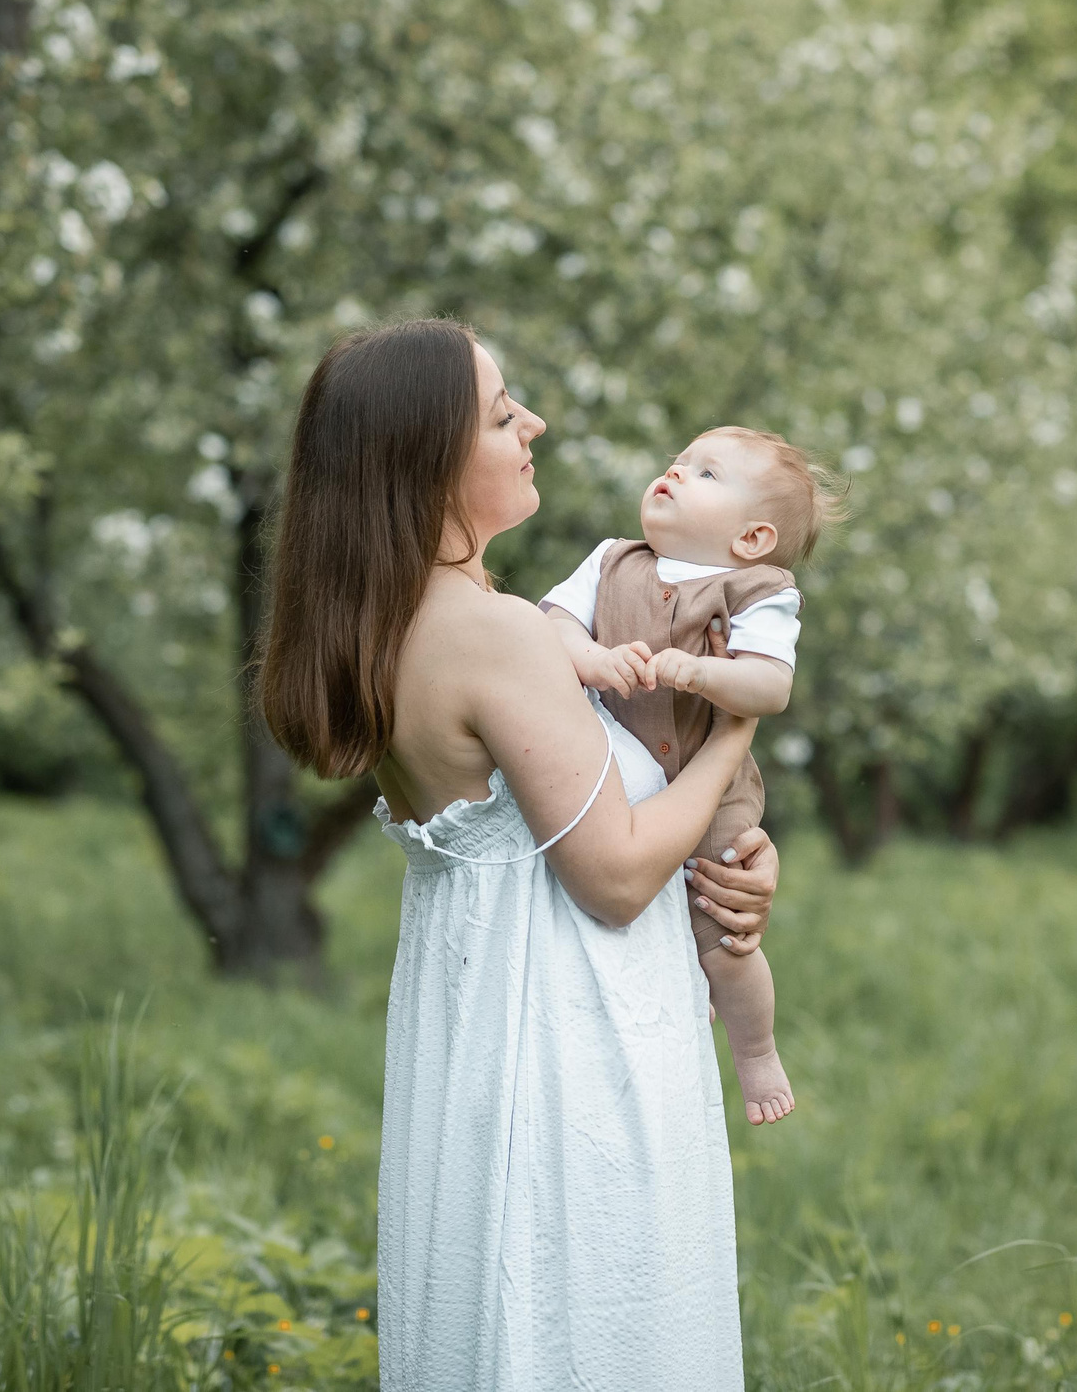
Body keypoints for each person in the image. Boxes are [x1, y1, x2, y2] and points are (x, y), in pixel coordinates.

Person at [259, 319, 777, 1391]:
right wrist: (732, 736)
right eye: (502, 415)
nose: (531, 423)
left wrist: (730, 859)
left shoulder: (409, 622)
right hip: (569, 1060)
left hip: (489, 1031)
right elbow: (618, 875)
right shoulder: (490, 634)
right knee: (585, 1330)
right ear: (427, 462)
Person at [541, 426, 842, 1129]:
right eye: (677, 462)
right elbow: (550, 623)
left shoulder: (760, 590)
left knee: (725, 929)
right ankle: (675, 977)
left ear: (751, 538)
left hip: (715, 793)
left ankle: (756, 1050)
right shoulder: (610, 561)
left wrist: (704, 672)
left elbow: (769, 686)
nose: (674, 473)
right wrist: (587, 657)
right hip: (609, 781)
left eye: (706, 474)